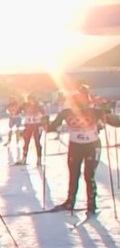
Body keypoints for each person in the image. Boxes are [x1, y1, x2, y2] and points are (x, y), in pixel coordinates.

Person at [46, 85, 120, 216]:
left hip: (92, 146)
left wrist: (107, 111)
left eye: (84, 101)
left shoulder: (94, 112)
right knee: (73, 175)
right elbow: (51, 128)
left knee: (88, 175)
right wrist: (44, 122)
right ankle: (70, 201)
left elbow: (116, 122)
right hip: (75, 146)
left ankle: (91, 205)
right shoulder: (66, 112)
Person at [16, 94, 45, 166]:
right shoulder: (25, 105)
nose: (30, 101)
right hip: (28, 125)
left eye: (32, 99)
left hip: (37, 125)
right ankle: (24, 158)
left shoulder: (38, 105)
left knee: (37, 142)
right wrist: (20, 109)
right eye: (29, 99)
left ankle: (39, 159)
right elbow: (17, 112)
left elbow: (44, 113)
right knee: (26, 141)